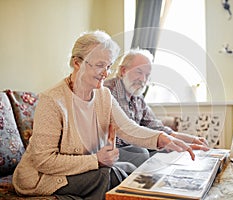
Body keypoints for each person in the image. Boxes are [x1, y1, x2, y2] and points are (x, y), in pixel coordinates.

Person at [12, 30, 197, 200]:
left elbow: (128, 128)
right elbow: (44, 161)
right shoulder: (52, 100)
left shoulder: (103, 95)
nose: (106, 73)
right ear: (77, 63)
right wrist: (95, 160)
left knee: (131, 169)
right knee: (107, 175)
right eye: (100, 65)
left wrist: (163, 138)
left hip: (82, 170)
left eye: (108, 66)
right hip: (45, 177)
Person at [104, 48, 210, 168]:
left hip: (135, 144)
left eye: (147, 75)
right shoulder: (108, 91)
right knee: (141, 153)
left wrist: (192, 140)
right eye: (139, 72)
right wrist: (157, 140)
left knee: (167, 149)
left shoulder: (137, 97)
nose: (143, 79)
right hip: (111, 149)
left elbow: (157, 127)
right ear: (123, 71)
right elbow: (127, 134)